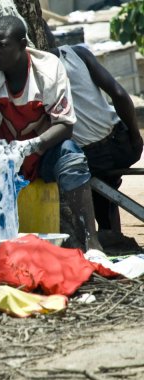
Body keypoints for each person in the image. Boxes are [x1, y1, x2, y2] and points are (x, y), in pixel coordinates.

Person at [0, 15, 103, 251]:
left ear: (22, 45)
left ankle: (92, 242)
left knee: (71, 157)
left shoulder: (48, 69)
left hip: (43, 155)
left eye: (2, 45)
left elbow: (65, 125)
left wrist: (31, 146)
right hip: (4, 157)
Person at [45, 29, 143, 236]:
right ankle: (114, 235)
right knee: (106, 190)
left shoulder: (36, 73)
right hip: (123, 144)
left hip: (91, 156)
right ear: (54, 38)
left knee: (77, 175)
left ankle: (108, 236)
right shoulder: (78, 53)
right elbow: (119, 94)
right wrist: (136, 136)